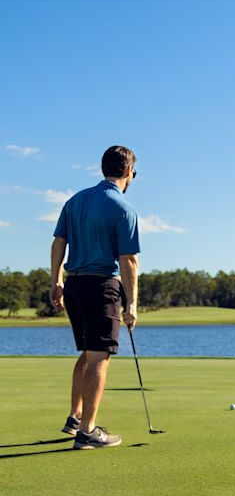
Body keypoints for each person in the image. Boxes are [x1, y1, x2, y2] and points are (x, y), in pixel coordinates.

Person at [50, 145, 140, 450]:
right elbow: (128, 260)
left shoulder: (75, 201)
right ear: (128, 171)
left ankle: (75, 417)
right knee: (100, 357)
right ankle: (87, 431)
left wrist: (56, 281)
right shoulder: (123, 208)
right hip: (102, 286)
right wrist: (132, 303)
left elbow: (58, 243)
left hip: (74, 287)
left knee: (88, 353)